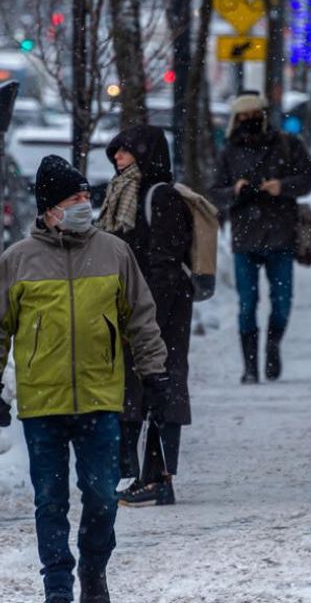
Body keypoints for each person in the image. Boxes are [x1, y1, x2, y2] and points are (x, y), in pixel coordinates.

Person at [0, 155, 169, 603]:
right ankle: (57, 584)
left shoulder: (114, 253)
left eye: (85, 196)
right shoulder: (18, 261)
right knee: (50, 500)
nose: (84, 204)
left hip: (100, 398)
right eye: (73, 198)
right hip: (43, 404)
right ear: (49, 209)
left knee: (101, 494)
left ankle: (94, 571)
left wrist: (154, 370)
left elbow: (141, 317)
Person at [96, 125, 194, 506]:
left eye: (125, 151)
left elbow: (165, 262)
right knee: (134, 388)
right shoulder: (124, 194)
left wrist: (148, 316)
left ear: (146, 154)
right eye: (116, 151)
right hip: (134, 306)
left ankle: (158, 477)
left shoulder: (160, 196)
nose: (117, 157)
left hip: (159, 310)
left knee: (161, 386)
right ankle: (137, 474)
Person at [210, 94, 311, 382]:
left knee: (282, 302)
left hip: (281, 235)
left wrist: (282, 186)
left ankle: (272, 345)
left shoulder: (287, 144)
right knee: (247, 303)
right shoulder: (229, 151)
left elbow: (307, 180)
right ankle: (250, 366)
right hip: (245, 239)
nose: (248, 120)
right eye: (242, 116)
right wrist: (236, 190)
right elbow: (215, 190)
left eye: (254, 114)